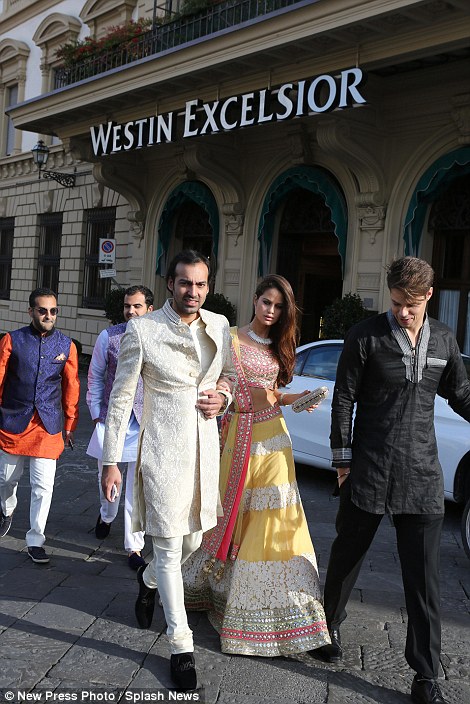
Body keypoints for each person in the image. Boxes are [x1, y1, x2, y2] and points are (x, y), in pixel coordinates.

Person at [319, 257, 470, 704]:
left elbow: (460, 393)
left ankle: (426, 677)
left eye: (412, 304)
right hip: (368, 468)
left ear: (428, 295)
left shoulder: (443, 338)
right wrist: (342, 461)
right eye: (398, 302)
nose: (403, 312)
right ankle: (327, 625)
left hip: (422, 474)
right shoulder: (365, 336)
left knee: (425, 581)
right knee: (347, 555)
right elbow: (343, 398)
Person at [100, 250, 234, 690]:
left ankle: (147, 576)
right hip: (161, 452)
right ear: (170, 283)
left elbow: (228, 375)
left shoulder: (219, 325)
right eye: (184, 283)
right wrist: (110, 462)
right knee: (172, 548)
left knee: (194, 540)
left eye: (200, 284)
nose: (192, 292)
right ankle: (181, 644)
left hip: (204, 452)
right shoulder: (142, 330)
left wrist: (224, 398)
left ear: (208, 285)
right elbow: (120, 400)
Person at [183, 274, 330, 657]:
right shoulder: (228, 337)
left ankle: (281, 607)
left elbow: (274, 393)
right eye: (267, 302)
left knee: (279, 517)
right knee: (235, 514)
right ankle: (219, 589)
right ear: (254, 299)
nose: (271, 310)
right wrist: (229, 397)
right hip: (236, 436)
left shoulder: (281, 344)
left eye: (279, 306)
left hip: (275, 439)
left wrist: (296, 398)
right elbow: (220, 384)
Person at [0, 287, 79, 563]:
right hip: (12, 420)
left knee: (43, 487)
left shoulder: (67, 345)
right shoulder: (11, 340)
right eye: (43, 310)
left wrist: (70, 423)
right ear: (31, 311)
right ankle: (7, 509)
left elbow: (71, 386)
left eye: (53, 311)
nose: (48, 315)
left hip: (48, 426)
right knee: (6, 479)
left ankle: (36, 540)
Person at [86, 285, 154, 570]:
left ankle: (134, 547)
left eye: (137, 306)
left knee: (135, 489)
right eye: (128, 306)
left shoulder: (158, 338)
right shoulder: (108, 337)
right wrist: (96, 413)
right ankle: (106, 514)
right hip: (112, 420)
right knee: (110, 482)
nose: (131, 311)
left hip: (143, 422)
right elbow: (95, 377)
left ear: (150, 309)